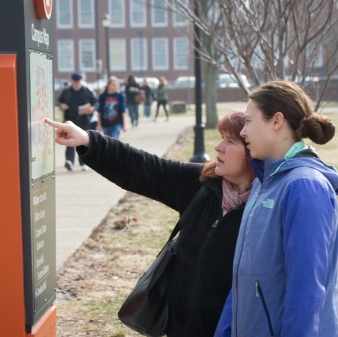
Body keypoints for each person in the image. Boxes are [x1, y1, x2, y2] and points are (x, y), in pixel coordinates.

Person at [45, 109, 255, 337]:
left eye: (230, 141)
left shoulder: (266, 209)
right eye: (221, 138)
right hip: (179, 327)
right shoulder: (202, 184)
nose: (218, 147)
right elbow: (143, 167)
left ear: (253, 151)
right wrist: (88, 140)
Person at [215, 81, 338, 337]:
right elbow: (244, 279)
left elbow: (306, 292)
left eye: (248, 121)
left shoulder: (305, 187)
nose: (243, 132)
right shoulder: (264, 182)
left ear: (276, 121)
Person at [58, 72, 97, 171]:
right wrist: (62, 105)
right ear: (72, 81)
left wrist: (92, 108)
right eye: (75, 81)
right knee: (69, 140)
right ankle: (69, 161)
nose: (76, 83)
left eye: (78, 81)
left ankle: (83, 163)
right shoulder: (66, 91)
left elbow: (95, 102)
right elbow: (59, 101)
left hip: (84, 120)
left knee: (83, 142)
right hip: (70, 120)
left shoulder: (86, 91)